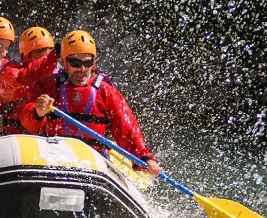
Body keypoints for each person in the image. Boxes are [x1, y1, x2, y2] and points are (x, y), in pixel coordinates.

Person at [19, 30, 161, 175]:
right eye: (75, 63)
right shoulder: (49, 86)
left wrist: (144, 157)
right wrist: (37, 113)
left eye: (87, 63)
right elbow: (26, 119)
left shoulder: (106, 92)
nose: (82, 69)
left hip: (93, 161)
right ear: (64, 62)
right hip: (53, 157)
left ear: (93, 63)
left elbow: (127, 129)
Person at [0, 26, 59, 135]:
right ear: (25, 57)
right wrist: (52, 56)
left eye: (49, 51)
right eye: (39, 52)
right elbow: (25, 76)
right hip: (13, 138)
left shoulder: (57, 78)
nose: (45, 56)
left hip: (44, 140)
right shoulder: (9, 71)